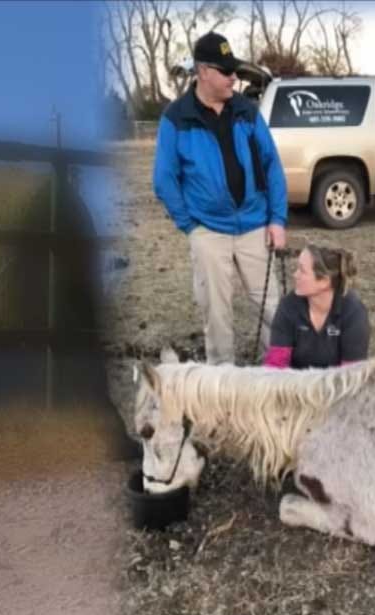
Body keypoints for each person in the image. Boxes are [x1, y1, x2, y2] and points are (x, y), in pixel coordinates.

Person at [153, 31, 288, 365]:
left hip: (255, 225)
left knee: (275, 307)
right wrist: (192, 227)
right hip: (208, 231)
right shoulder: (176, 118)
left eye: (234, 71)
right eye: (226, 72)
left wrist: (277, 219)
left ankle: (279, 374)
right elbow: (163, 179)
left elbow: (272, 166)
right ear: (203, 72)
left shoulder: (247, 111)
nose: (233, 78)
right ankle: (221, 383)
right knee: (217, 314)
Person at [264, 244, 370, 369]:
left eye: (302, 271)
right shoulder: (288, 305)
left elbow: (351, 374)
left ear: (324, 281)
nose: (295, 275)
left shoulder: (353, 312)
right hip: (295, 383)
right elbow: (276, 365)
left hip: (336, 385)